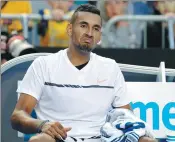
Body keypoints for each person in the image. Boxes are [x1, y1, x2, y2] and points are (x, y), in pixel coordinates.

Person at [11, 4, 156, 142]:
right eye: (83, 26)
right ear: (69, 29)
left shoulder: (110, 67)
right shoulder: (43, 65)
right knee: (39, 140)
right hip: (59, 138)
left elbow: (125, 117)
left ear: (99, 36)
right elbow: (18, 116)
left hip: (102, 138)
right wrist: (42, 125)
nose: (89, 33)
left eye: (96, 28)